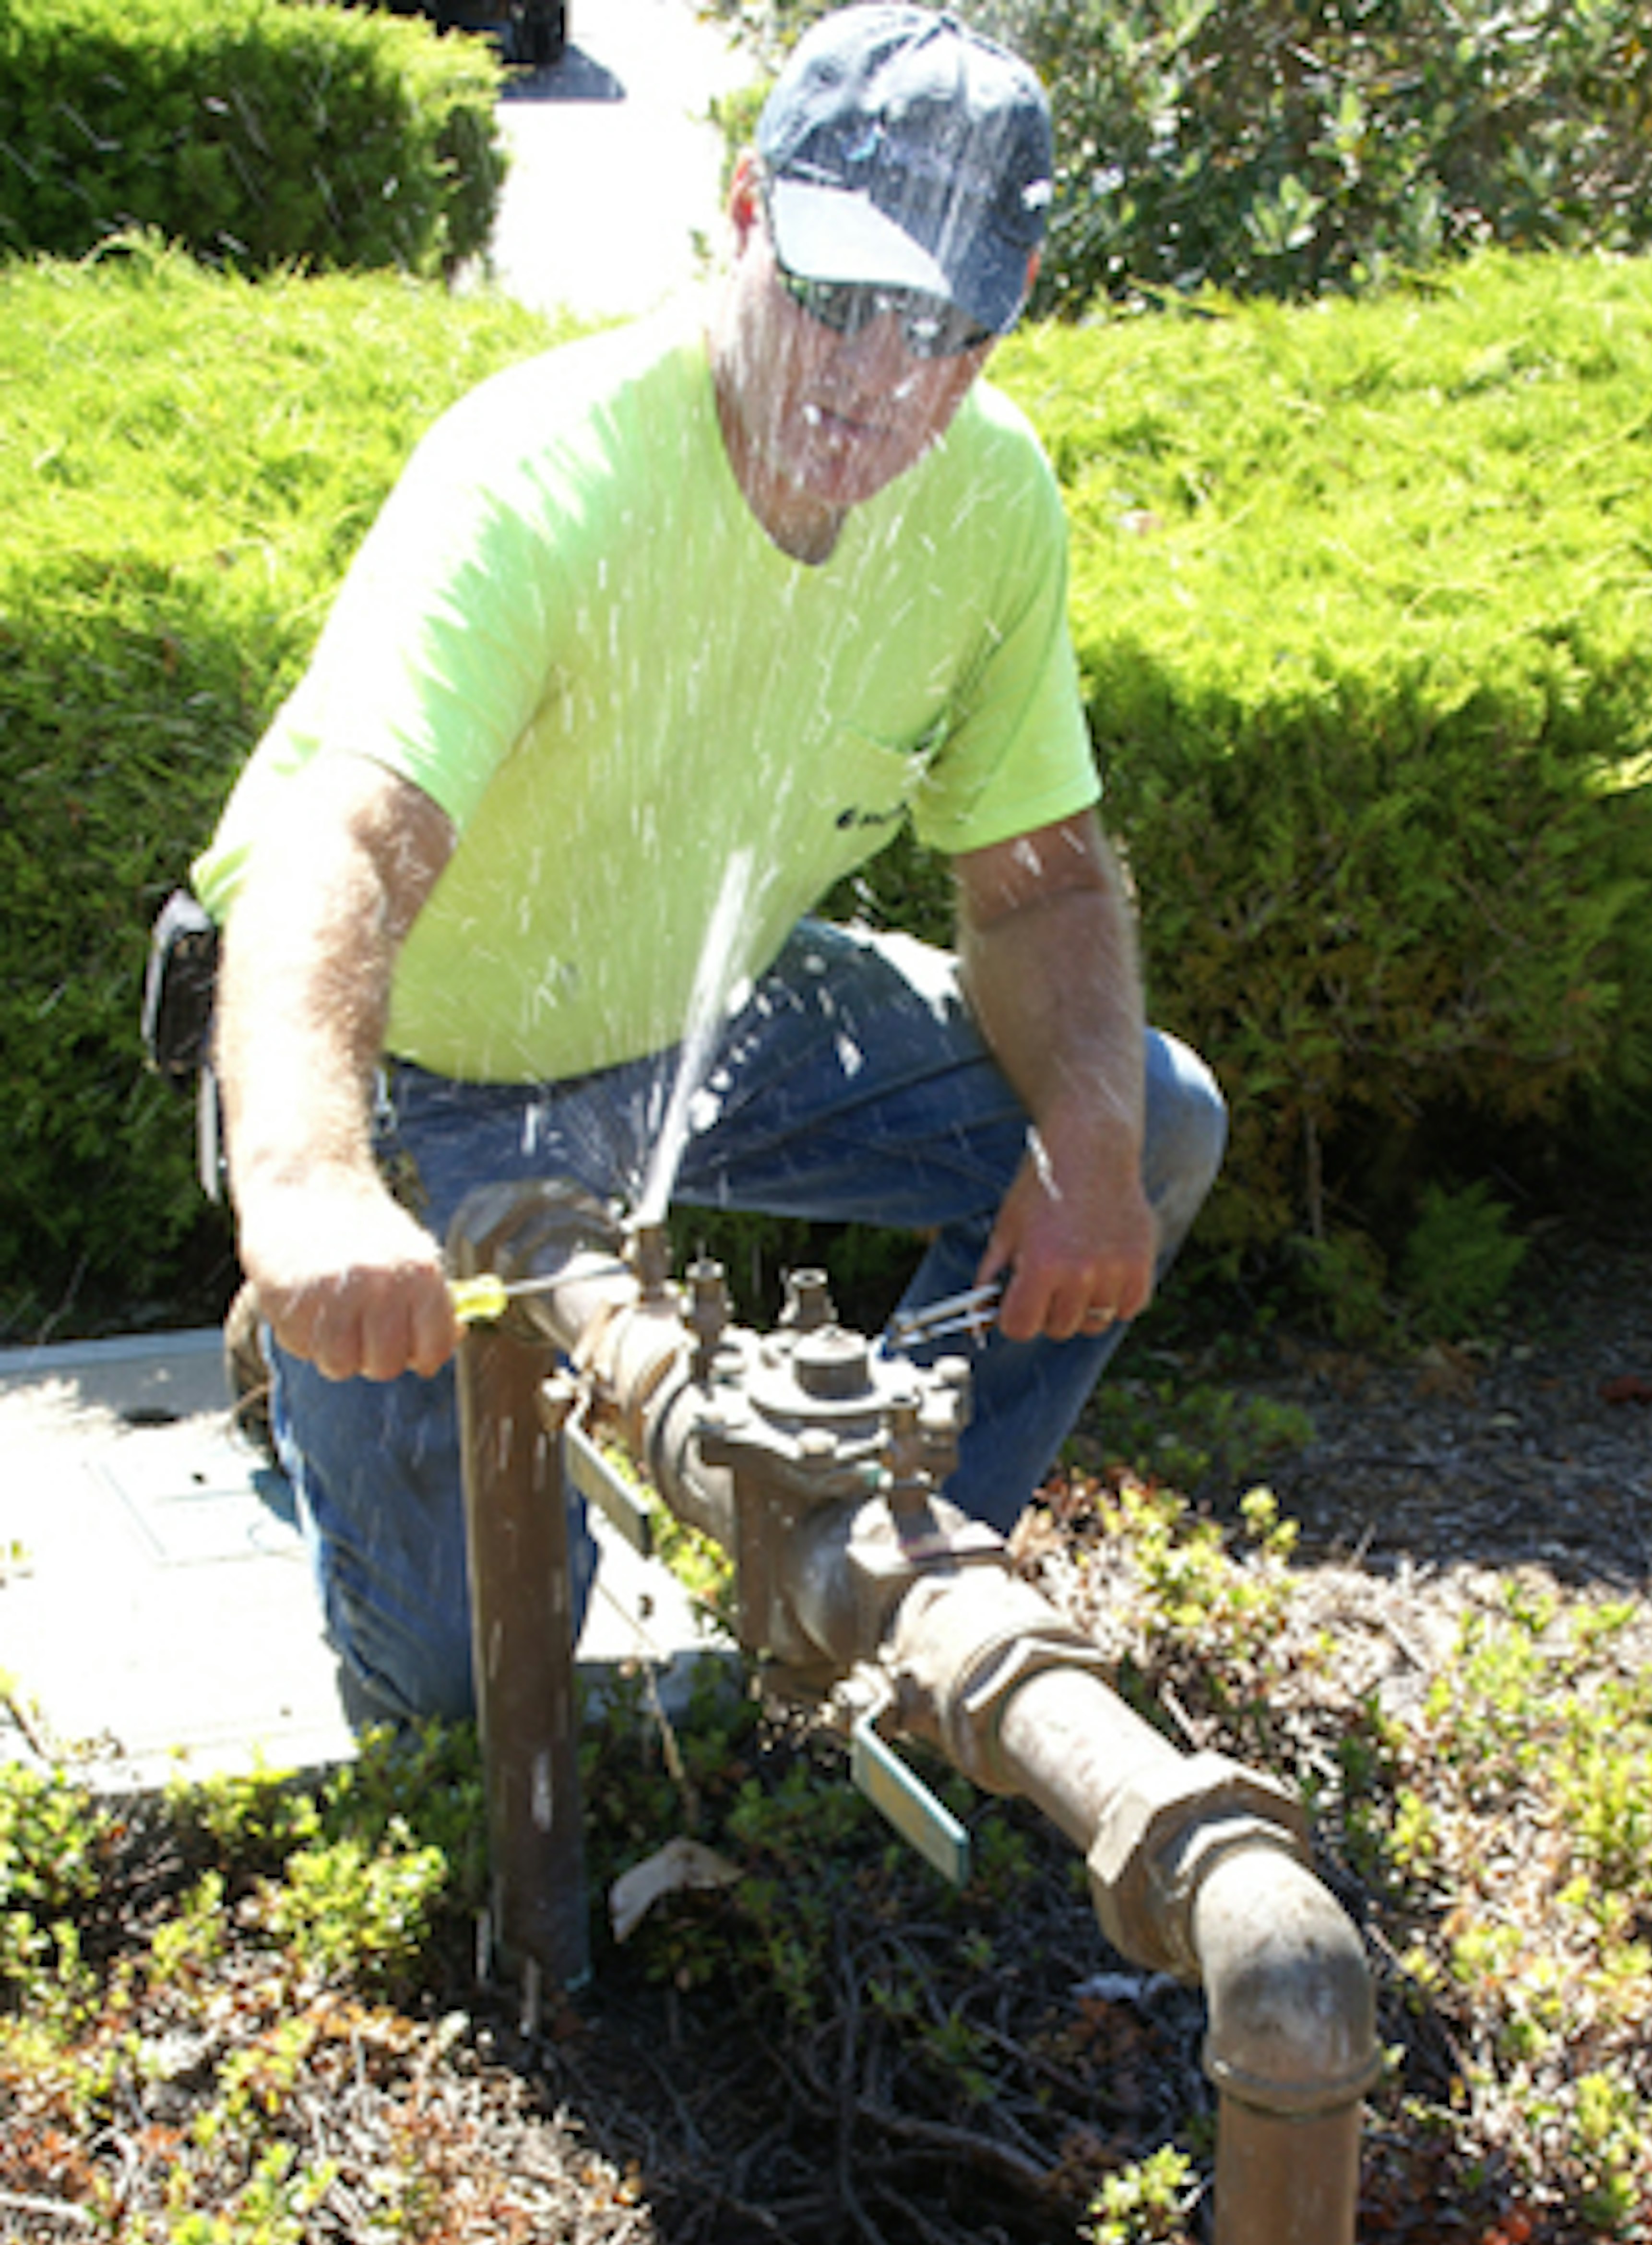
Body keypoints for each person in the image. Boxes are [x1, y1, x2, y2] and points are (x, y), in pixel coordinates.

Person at [193, 1, 1227, 1731]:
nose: (876, 380)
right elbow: (347, 836)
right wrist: (309, 1183)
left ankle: (878, 1567)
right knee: (474, 1695)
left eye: (942, 331)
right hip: (416, 1075)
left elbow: (1040, 884)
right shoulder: (542, 470)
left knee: (1157, 1117)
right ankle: (299, 1340)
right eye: (835, 299)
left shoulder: (991, 501)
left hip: (700, 1022)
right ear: (744, 212)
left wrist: (1092, 1151)